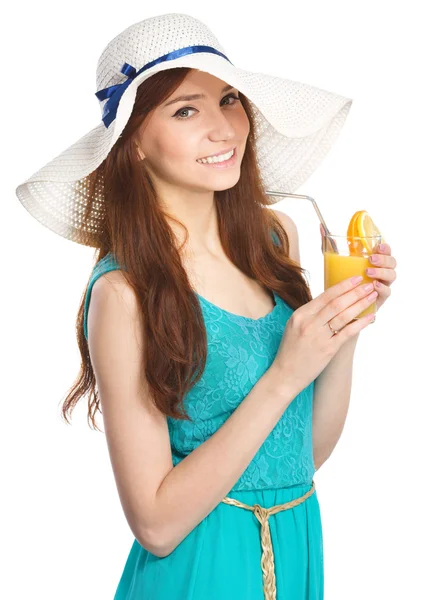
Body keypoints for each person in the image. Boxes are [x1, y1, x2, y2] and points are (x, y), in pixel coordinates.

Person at [14, 12, 386, 600]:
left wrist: (345, 327)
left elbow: (299, 457)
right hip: (199, 570)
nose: (224, 129)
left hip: (296, 547)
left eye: (229, 99)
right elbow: (156, 526)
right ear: (133, 141)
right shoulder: (123, 295)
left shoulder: (273, 239)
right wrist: (285, 374)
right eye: (186, 110)